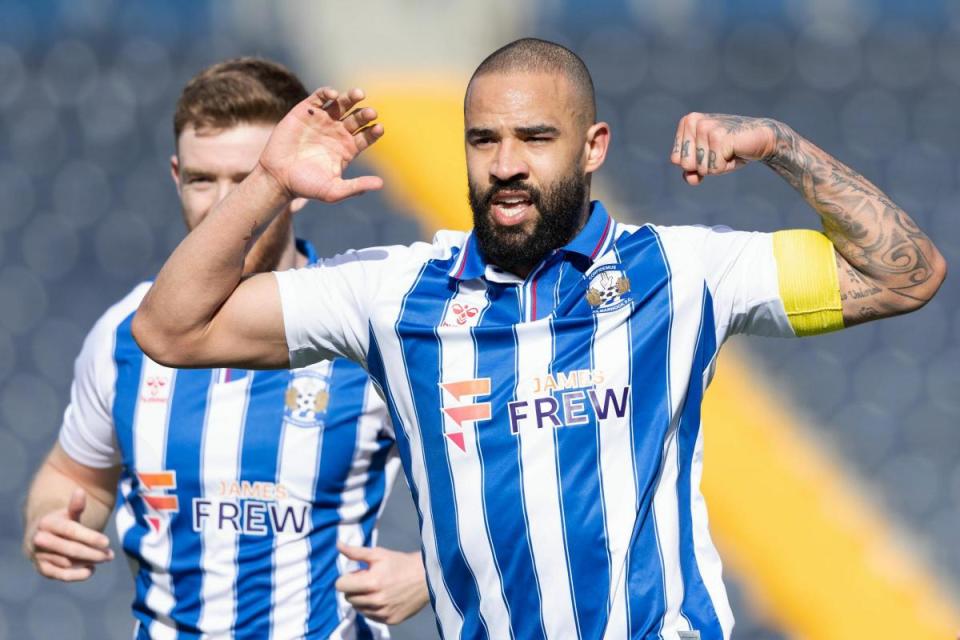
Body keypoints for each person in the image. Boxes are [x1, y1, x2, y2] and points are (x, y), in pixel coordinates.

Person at [131, 39, 947, 640]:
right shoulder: (392, 291)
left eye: (535, 138)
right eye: (484, 141)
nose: (507, 164)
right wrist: (268, 183)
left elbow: (903, 275)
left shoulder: (682, 270)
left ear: (593, 148)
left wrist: (781, 146)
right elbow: (171, 328)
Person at [22, 57, 429, 639]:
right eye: (201, 180)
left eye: (249, 180)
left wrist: (429, 572)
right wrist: (51, 521)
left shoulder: (364, 331)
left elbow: (505, 482)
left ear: (299, 183)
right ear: (174, 176)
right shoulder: (123, 334)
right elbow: (74, 477)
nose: (223, 206)